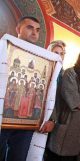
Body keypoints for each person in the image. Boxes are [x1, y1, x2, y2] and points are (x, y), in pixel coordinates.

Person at [45, 46, 80, 161]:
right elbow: (71, 95)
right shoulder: (71, 73)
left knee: (78, 156)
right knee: (60, 156)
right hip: (70, 123)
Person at [0, 16, 40, 161]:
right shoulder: (4, 48)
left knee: (18, 157)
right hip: (2, 116)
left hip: (25, 124)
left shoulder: (41, 59)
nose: (35, 32)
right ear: (18, 29)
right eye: (30, 27)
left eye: (37, 30)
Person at [39, 40, 66, 134]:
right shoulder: (42, 70)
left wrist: (53, 120)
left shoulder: (63, 75)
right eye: (56, 53)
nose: (59, 56)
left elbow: (58, 100)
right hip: (39, 115)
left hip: (53, 119)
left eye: (62, 54)